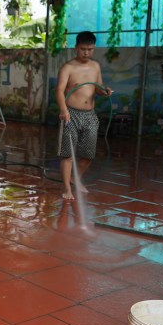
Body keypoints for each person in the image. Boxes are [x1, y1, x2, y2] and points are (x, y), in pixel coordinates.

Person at [56, 31, 112, 200]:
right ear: (76, 48)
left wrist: (105, 92)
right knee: (68, 154)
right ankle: (67, 188)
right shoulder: (68, 67)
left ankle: (75, 178)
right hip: (70, 114)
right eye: (83, 49)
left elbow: (98, 87)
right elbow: (59, 90)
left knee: (88, 155)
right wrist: (63, 110)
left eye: (90, 49)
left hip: (90, 115)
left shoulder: (95, 66)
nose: (86, 52)